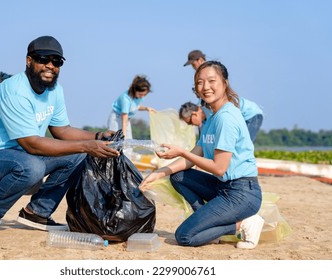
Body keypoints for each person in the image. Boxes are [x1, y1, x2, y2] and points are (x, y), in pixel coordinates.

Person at [0, 35, 119, 240]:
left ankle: (37, 212)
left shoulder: (55, 90)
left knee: (78, 155)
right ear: (29, 61)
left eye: (56, 61)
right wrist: (87, 145)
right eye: (43, 59)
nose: (50, 66)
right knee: (32, 166)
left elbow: (62, 130)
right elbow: (32, 145)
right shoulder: (15, 91)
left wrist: (98, 136)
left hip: (21, 158)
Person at [139, 61, 264, 249]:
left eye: (211, 81)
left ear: (225, 83)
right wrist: (159, 172)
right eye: (199, 82)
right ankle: (206, 221)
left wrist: (181, 151)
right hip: (223, 187)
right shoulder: (212, 118)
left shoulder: (226, 118)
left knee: (185, 236)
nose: (205, 87)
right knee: (179, 176)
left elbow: (219, 167)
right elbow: (194, 156)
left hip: (242, 193)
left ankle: (243, 224)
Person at [184, 49, 263, 142]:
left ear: (200, 60)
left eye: (193, 65)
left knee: (243, 142)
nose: (194, 68)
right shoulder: (205, 104)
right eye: (200, 82)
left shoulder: (212, 70)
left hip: (250, 114)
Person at [107, 75, 155, 140]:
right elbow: (124, 116)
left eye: (144, 94)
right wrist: (123, 136)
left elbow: (135, 107)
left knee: (129, 142)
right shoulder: (125, 99)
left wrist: (146, 108)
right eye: (141, 94)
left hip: (126, 119)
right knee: (117, 141)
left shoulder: (138, 97)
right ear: (135, 90)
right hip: (117, 118)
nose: (142, 96)